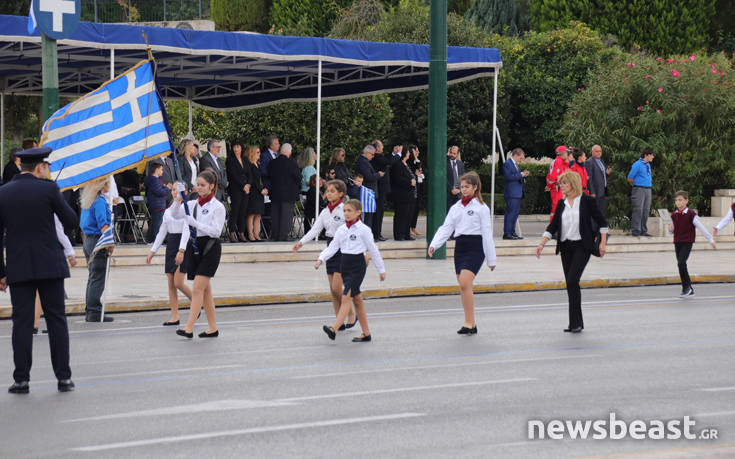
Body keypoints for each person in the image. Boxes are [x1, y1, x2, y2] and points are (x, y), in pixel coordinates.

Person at [0, 146, 78, 394]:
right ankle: (63, 378)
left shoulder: (4, 192)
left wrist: (1, 271)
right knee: (56, 320)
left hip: (18, 266)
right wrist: (56, 195)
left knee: (21, 323)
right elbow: (71, 222)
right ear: (40, 167)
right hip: (50, 265)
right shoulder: (49, 189)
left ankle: (21, 379)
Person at [536, 171, 608, 333]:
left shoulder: (587, 201)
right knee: (570, 284)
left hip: (583, 246)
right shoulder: (562, 204)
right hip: (566, 247)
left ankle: (576, 322)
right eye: (560, 184)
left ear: (573, 184)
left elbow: (602, 222)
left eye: (564, 184)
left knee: (573, 280)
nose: (561, 186)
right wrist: (542, 244)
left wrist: (602, 243)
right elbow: (553, 226)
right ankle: (575, 323)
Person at [429, 171, 497, 335]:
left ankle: (469, 322)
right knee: (463, 286)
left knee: (465, 282)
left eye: (467, 187)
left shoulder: (482, 208)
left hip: (476, 246)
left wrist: (491, 258)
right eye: (462, 187)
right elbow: (446, 228)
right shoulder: (456, 207)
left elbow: (487, 234)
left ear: (475, 187)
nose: (463, 190)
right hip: (460, 246)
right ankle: (470, 323)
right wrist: (434, 244)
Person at [316, 199, 386, 342]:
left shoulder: (364, 230)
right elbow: (333, 247)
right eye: (345, 211)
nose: (346, 214)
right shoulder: (342, 229)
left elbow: (373, 250)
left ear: (358, 212)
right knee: (357, 300)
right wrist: (321, 259)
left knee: (346, 296)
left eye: (349, 211)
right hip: (344, 266)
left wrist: (381, 269)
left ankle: (334, 328)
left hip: (357, 266)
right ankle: (366, 333)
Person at [294, 180, 357, 329]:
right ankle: (339, 321)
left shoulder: (344, 209)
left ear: (341, 194)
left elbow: (353, 229)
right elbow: (315, 230)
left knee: (337, 287)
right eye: (327, 191)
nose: (328, 194)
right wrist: (301, 243)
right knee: (333, 290)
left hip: (343, 248)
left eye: (332, 191)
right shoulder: (324, 211)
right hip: (330, 247)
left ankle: (351, 313)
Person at [172, 170, 226, 338]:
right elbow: (175, 214)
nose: (200, 188)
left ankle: (189, 328)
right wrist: (178, 199)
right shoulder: (193, 204)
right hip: (195, 247)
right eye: (198, 185)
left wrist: (195, 224)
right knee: (205, 290)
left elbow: (217, 231)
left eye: (203, 185)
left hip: (210, 247)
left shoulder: (218, 206)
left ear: (211, 186)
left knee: (197, 288)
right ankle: (212, 328)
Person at [146, 186, 194, 325]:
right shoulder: (168, 211)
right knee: (171, 283)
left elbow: (187, 230)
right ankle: (174, 316)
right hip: (171, 243)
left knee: (178, 282)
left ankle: (198, 303)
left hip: (183, 244)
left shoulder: (187, 209)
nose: (175, 192)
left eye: (178, 190)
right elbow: (162, 231)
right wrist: (152, 251)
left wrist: (182, 250)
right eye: (173, 189)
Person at [667, 191, 715, 298]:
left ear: (686, 201)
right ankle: (688, 288)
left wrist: (710, 239)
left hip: (687, 242)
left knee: (681, 262)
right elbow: (671, 230)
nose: (678, 203)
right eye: (676, 201)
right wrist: (670, 229)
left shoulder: (691, 214)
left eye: (680, 200)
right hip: (677, 242)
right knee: (680, 264)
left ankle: (687, 288)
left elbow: (701, 227)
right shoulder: (674, 215)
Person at [80, 178, 115, 322]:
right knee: (98, 276)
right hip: (98, 240)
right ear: (102, 185)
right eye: (107, 183)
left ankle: (90, 308)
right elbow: (103, 224)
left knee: (93, 276)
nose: (109, 185)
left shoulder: (89, 200)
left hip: (89, 240)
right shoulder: (100, 201)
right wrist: (110, 243)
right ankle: (94, 310)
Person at [268, 143, 301, 241]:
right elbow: (298, 177)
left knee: (275, 214)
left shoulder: (272, 163)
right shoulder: (292, 163)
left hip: (275, 192)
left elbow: (269, 175)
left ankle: (275, 235)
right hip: (288, 193)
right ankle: (283, 235)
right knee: (286, 215)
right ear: (289, 152)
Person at [226, 140, 252, 242]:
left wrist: (248, 185)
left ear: (241, 147)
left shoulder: (245, 159)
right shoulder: (230, 160)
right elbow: (233, 175)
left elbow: (249, 174)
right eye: (234, 147)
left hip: (246, 189)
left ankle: (241, 233)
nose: (236, 149)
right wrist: (243, 185)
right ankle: (232, 233)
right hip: (235, 188)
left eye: (238, 147)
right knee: (235, 211)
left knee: (243, 211)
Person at [353, 144, 383, 231]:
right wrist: (378, 174)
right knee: (367, 217)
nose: (373, 157)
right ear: (366, 153)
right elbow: (368, 176)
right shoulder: (362, 161)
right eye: (372, 154)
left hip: (368, 192)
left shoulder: (365, 161)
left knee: (369, 216)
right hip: (366, 192)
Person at [390, 146, 417, 241]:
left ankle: (406, 234)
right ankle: (398, 235)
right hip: (401, 195)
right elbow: (397, 179)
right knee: (401, 215)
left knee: (408, 214)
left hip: (409, 194)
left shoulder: (407, 164)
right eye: (409, 152)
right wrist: (409, 182)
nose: (409, 154)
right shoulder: (397, 165)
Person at [502, 148, 529, 240]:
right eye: (521, 158)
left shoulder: (515, 164)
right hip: (511, 193)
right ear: (516, 155)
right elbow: (508, 177)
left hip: (517, 193)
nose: (521, 160)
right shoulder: (507, 164)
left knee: (515, 214)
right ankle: (507, 233)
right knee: (510, 213)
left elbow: (516, 177)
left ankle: (512, 232)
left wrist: (523, 176)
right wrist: (521, 174)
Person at [628, 147, 655, 237]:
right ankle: (636, 231)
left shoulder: (648, 165)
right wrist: (637, 184)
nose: (653, 157)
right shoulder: (637, 164)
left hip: (648, 189)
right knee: (638, 210)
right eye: (651, 155)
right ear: (646, 155)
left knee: (646, 210)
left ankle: (643, 230)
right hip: (639, 189)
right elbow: (630, 178)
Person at [370, 139, 391, 241]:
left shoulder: (378, 157)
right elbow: (389, 161)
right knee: (378, 212)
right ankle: (376, 234)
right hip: (379, 188)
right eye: (381, 146)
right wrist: (397, 154)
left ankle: (378, 233)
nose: (383, 148)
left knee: (380, 211)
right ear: (377, 148)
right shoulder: (377, 158)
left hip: (381, 188)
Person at [144, 161, 169, 243]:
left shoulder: (155, 180)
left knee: (155, 223)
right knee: (157, 224)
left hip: (156, 205)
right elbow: (159, 192)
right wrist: (167, 188)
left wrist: (163, 187)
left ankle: (150, 239)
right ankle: (155, 240)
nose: (162, 171)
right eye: (161, 169)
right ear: (157, 170)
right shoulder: (155, 180)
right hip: (157, 205)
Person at [246, 146, 265, 242]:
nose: (259, 154)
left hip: (259, 192)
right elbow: (252, 180)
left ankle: (257, 234)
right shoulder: (250, 165)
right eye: (257, 152)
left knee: (258, 214)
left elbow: (260, 179)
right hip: (253, 192)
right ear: (252, 153)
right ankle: (250, 234)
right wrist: (260, 189)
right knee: (252, 214)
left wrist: (264, 188)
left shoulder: (258, 164)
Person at [546, 145, 571, 222]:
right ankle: (554, 228)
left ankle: (555, 227)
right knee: (557, 207)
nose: (568, 154)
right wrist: (550, 185)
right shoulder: (558, 161)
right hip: (557, 187)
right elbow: (554, 176)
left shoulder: (560, 161)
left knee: (558, 207)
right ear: (563, 153)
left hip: (557, 187)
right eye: (567, 153)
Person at [585, 144, 611, 215]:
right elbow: (589, 179)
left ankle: (599, 226)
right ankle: (593, 226)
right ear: (592, 152)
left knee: (601, 211)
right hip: (595, 192)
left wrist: (606, 173)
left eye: (600, 151)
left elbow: (600, 175)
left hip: (603, 190)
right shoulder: (589, 162)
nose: (599, 153)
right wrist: (592, 192)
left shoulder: (601, 161)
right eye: (597, 151)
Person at [407, 145, 425, 238]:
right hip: (412, 188)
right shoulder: (409, 161)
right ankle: (409, 228)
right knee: (412, 208)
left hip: (418, 186)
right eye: (416, 151)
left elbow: (420, 171)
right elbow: (412, 172)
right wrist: (416, 173)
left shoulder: (418, 161)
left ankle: (413, 227)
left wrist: (420, 174)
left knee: (417, 207)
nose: (418, 152)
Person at [446, 145, 465, 210]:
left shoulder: (460, 164)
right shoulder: (445, 162)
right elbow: (444, 178)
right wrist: (451, 189)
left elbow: (463, 178)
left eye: (454, 153)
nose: (452, 155)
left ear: (457, 154)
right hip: (448, 194)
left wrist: (460, 189)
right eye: (451, 153)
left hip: (458, 194)